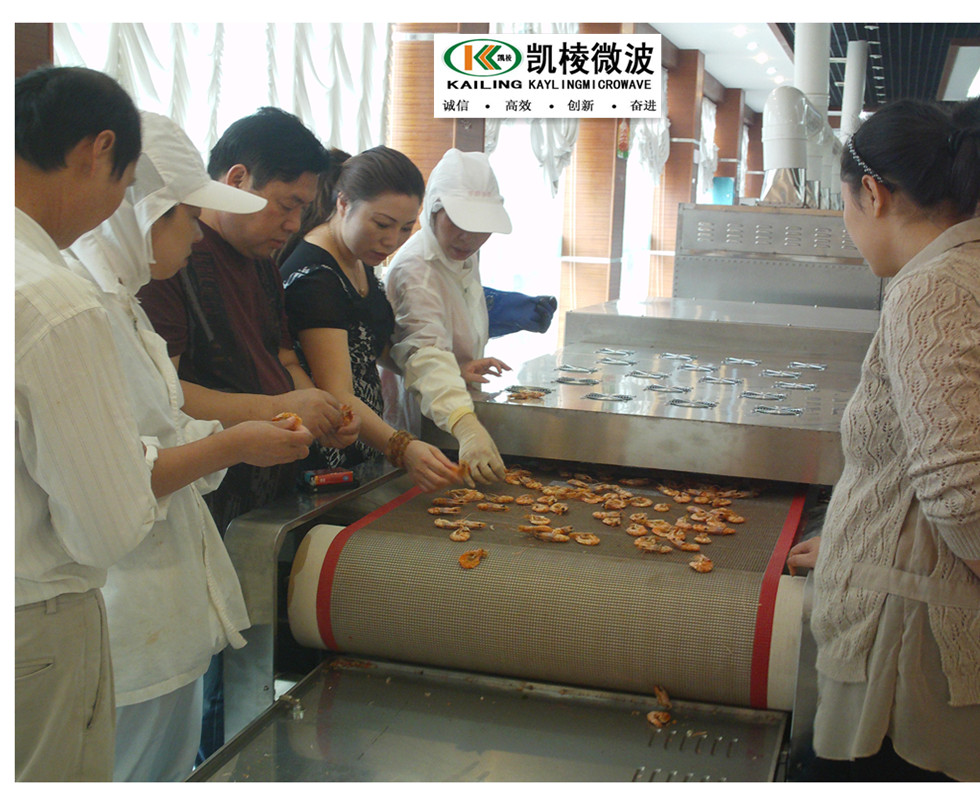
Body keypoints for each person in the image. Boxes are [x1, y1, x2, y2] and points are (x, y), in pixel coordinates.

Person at [66, 111, 315, 781]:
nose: (196, 237)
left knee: (168, 765)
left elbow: (165, 423)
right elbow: (121, 475)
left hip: (163, 600)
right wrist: (235, 441)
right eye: (187, 219)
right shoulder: (82, 310)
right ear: (144, 216)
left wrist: (243, 439)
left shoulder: (122, 302)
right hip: (125, 600)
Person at [137, 107, 358, 761]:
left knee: (246, 667)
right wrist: (273, 406)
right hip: (202, 500)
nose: (293, 225)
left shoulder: (261, 260)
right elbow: (166, 395)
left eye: (303, 211)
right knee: (204, 686)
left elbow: (279, 352)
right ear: (235, 179)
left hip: (262, 491)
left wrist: (318, 403)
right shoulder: (167, 262)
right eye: (286, 206)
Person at [799, 97, 980, 782]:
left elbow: (961, 495)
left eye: (845, 205)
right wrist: (854, 537)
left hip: (912, 652)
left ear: (872, 193)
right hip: (909, 595)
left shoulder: (932, 289)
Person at [15, 65, 154, 782]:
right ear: (98, 150)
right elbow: (105, 527)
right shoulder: (53, 299)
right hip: (32, 625)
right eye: (123, 184)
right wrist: (136, 460)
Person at [278, 146, 460, 492]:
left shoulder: (358, 257)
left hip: (360, 443)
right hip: (324, 449)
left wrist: (447, 371)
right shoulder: (317, 279)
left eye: (406, 228)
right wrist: (403, 447)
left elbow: (371, 344)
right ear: (343, 204)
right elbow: (337, 391)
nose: (392, 241)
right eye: (381, 224)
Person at [384, 148, 554, 485]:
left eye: (481, 228)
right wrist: (466, 426)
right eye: (459, 223)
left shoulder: (459, 252)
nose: (470, 238)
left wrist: (459, 366)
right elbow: (423, 355)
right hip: (421, 417)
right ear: (434, 209)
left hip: (446, 403)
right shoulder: (416, 268)